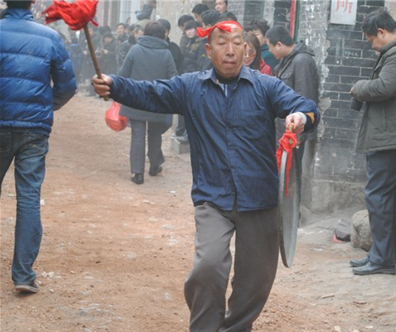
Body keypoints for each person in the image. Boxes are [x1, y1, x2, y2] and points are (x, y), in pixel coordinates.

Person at [92, 20, 319, 332]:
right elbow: (151, 92)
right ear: (209, 51)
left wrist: (300, 117)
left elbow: (303, 105)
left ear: (247, 50)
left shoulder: (266, 87)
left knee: (256, 281)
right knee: (208, 266)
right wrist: (115, 85)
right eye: (222, 44)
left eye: (237, 43)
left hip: (261, 197)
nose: (230, 51)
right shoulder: (190, 87)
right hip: (214, 197)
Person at [0, 0, 77, 294]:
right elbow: (67, 86)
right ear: (33, 3)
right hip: (34, 129)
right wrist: (46, 107)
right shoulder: (50, 37)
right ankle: (22, 274)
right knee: (29, 198)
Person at [348, 8, 396, 276]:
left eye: (371, 40)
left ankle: (381, 260)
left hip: (391, 138)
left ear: (382, 32)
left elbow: (383, 88)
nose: (372, 46)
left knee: (379, 197)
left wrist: (358, 87)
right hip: (393, 136)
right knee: (386, 199)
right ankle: (382, 256)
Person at [117, 21, 177, 185]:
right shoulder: (166, 54)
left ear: (145, 33)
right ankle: (155, 166)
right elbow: (173, 78)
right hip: (158, 100)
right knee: (155, 134)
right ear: (163, 35)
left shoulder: (135, 50)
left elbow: (123, 74)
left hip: (136, 98)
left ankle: (137, 173)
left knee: (137, 135)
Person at [266, 25, 319, 173]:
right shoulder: (285, 61)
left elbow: (306, 97)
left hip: (294, 131)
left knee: (290, 173)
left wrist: (299, 134)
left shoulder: (302, 61)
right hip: (283, 129)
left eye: (270, 47)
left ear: (279, 45)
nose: (269, 51)